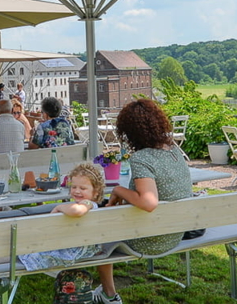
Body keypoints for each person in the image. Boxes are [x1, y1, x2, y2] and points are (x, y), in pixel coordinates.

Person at [92, 99, 192, 304]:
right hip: (175, 232)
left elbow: (149, 202)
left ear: (130, 132)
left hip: (149, 240)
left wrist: (119, 189)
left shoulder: (142, 158)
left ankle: (108, 295)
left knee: (99, 229)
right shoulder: (173, 150)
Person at [18, 162, 105, 301]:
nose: (77, 191)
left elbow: (77, 211)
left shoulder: (88, 204)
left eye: (83, 188)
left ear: (95, 193)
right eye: (74, 186)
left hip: (76, 248)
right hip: (73, 243)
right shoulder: (84, 203)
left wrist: (59, 207)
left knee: (28, 251)